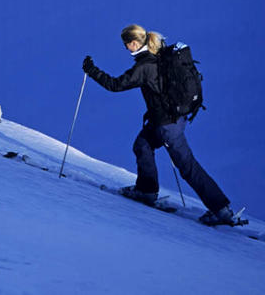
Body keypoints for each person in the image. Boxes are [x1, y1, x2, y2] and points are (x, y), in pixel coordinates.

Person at [82, 24, 237, 226]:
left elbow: (115, 85)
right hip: (170, 120)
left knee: (187, 165)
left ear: (134, 43)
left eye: (126, 44)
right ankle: (146, 191)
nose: (125, 48)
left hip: (167, 125)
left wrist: (92, 70)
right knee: (142, 145)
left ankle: (220, 209)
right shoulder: (160, 55)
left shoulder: (144, 66)